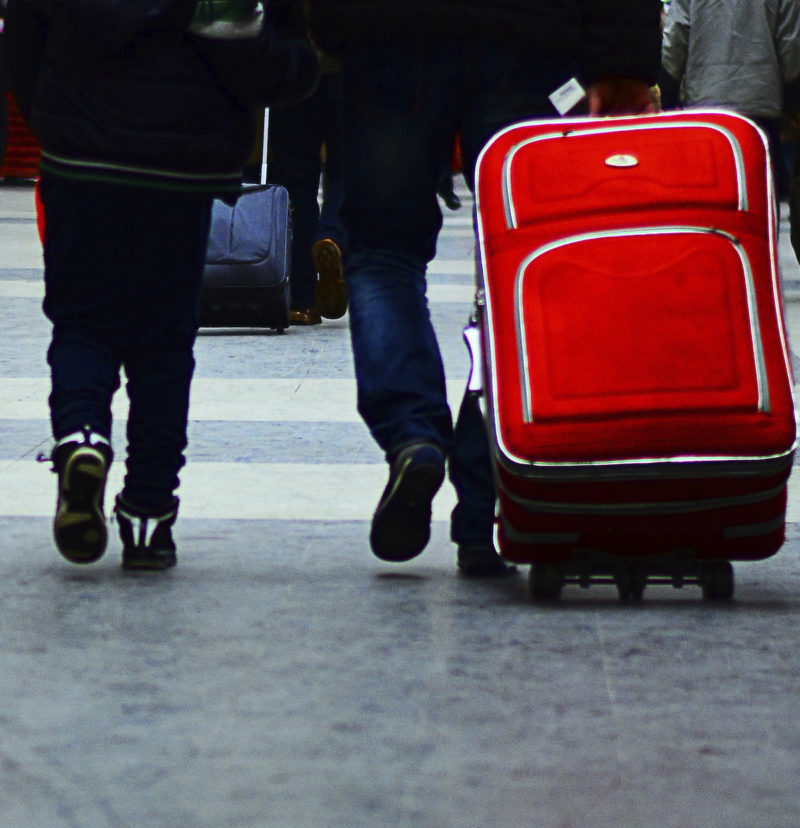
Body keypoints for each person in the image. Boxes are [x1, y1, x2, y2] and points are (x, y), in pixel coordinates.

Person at [305, 0, 663, 576]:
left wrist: (323, 30)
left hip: (388, 36)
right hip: (531, 43)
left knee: (382, 251)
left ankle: (412, 434)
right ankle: (487, 501)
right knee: (524, 263)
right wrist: (623, 58)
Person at [5, 0, 319, 569]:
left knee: (82, 323)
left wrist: (57, 127)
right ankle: (149, 514)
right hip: (183, 168)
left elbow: (21, 46)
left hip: (81, 160)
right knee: (164, 345)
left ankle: (81, 436)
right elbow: (272, 67)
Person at [659, 0, 800, 199]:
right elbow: (791, 43)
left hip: (706, 109)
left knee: (710, 202)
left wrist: (669, 96)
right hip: (760, 107)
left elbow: (675, 37)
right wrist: (793, 102)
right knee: (760, 201)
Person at [267, 60, 348, 326]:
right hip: (349, 64)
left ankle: (302, 301)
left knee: (296, 178)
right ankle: (332, 237)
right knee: (347, 166)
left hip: (294, 65)